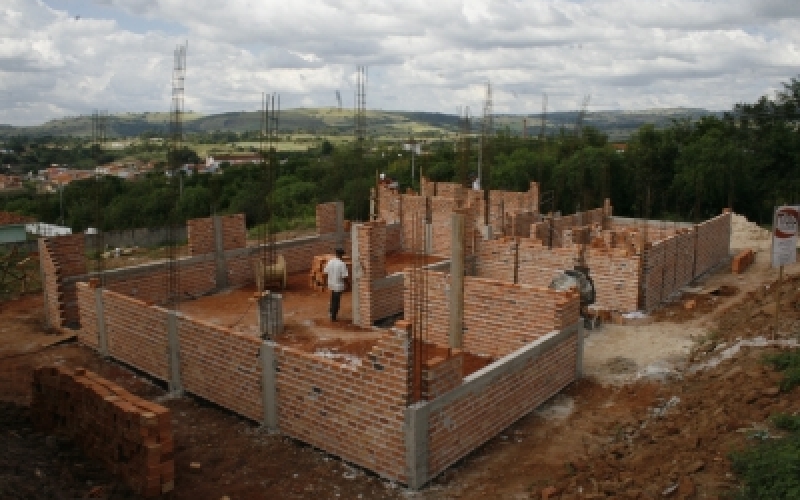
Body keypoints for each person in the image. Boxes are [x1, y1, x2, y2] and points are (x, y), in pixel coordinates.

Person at [323, 248, 348, 322]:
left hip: (331, 284)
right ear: (341, 255)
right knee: (336, 301)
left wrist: (325, 282)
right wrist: (348, 284)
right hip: (338, 285)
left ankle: (331, 312)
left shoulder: (330, 261)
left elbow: (325, 272)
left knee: (333, 298)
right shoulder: (342, 264)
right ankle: (333, 316)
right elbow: (345, 276)